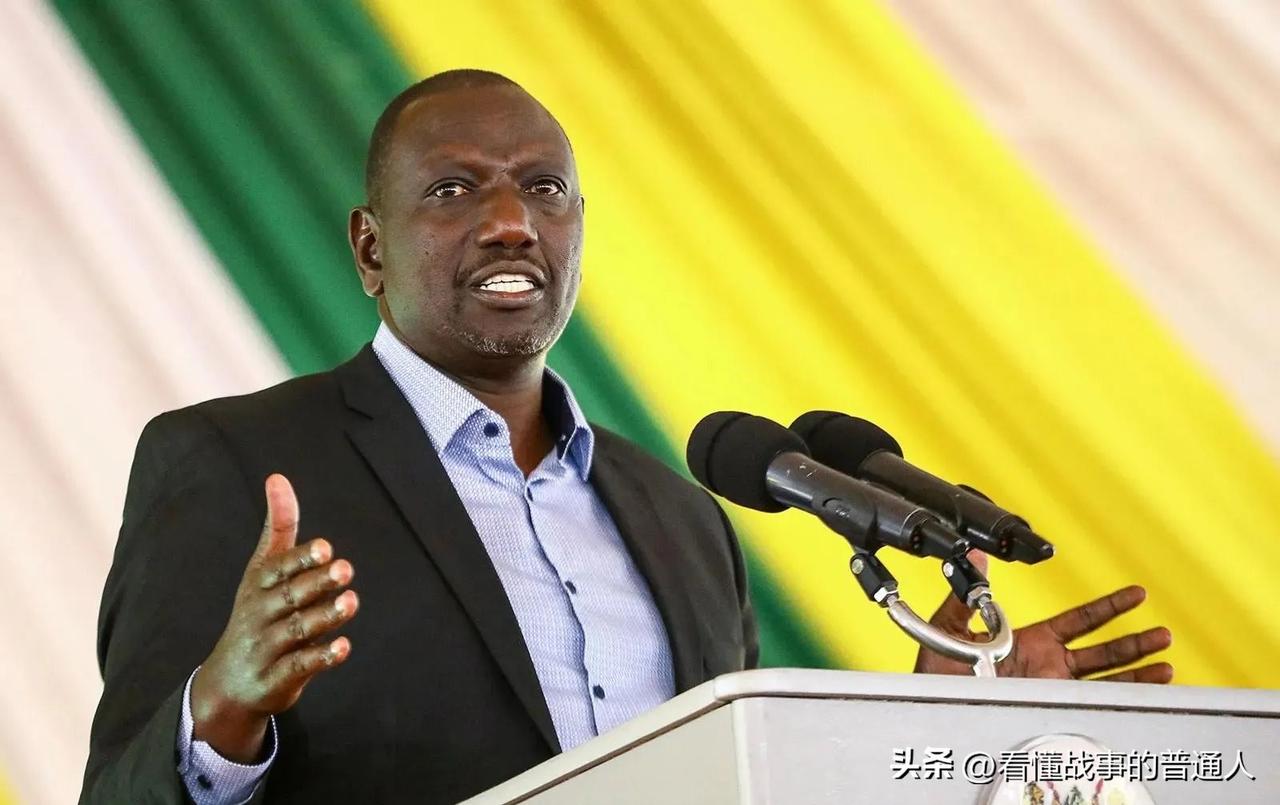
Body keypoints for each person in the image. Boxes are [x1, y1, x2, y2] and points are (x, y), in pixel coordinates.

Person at [80, 70, 1172, 805]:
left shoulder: (685, 518)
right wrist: (215, 718)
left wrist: (922, 733)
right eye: (455, 189)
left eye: (544, 189)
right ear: (370, 248)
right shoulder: (234, 465)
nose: (511, 221)